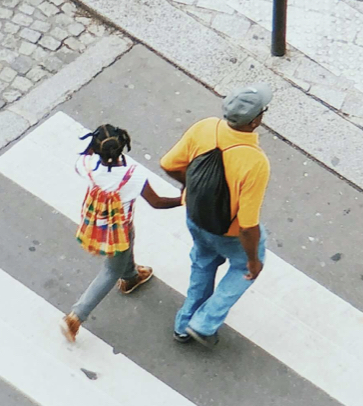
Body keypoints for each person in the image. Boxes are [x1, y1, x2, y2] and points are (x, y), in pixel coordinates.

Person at [160, 83, 272, 348]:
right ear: (255, 120)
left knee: (203, 262)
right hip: (228, 232)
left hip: (195, 216)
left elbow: (168, 164)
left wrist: (192, 188)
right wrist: (253, 261)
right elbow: (247, 226)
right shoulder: (255, 162)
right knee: (243, 268)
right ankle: (203, 323)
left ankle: (183, 326)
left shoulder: (205, 127)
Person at [62, 123, 182, 342]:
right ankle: (76, 316)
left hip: (97, 223)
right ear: (122, 147)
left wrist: (95, 144)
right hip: (118, 230)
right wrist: (183, 199)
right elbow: (157, 202)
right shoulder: (132, 175)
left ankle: (131, 277)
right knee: (110, 270)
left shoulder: (86, 165)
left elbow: (86, 155)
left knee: (124, 253)